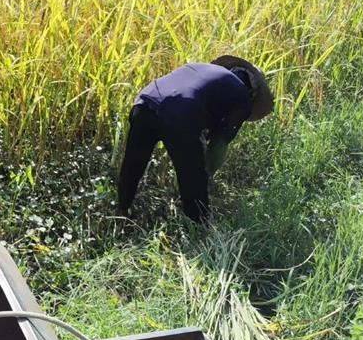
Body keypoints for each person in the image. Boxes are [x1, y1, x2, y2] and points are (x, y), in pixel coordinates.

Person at [116, 56, 274, 222]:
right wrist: (207, 172)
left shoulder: (201, 69)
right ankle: (200, 231)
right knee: (194, 182)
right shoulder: (242, 96)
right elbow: (219, 143)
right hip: (181, 113)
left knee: (133, 163)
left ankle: (121, 213)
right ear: (252, 92)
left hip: (144, 102)